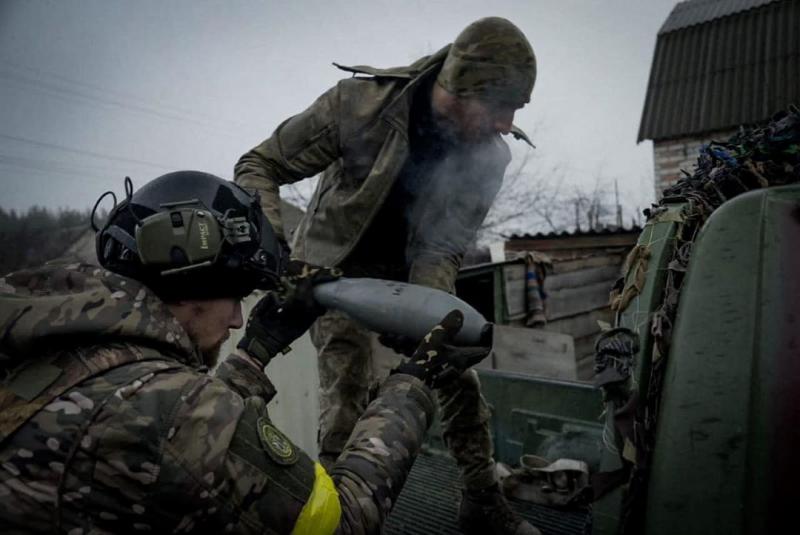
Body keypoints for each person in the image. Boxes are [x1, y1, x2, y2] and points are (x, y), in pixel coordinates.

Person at [0, 171, 490, 534]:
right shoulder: (170, 415)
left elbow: (159, 423)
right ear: (191, 283)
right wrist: (411, 387)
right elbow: (340, 521)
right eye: (236, 295)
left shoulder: (50, 335)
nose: (238, 319)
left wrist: (253, 355)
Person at [234, 16, 539, 535]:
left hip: (410, 275)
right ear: (463, 87)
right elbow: (260, 164)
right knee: (345, 394)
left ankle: (482, 501)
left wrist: (428, 308)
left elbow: (443, 244)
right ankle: (336, 518)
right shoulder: (357, 107)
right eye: (501, 106)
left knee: (458, 376)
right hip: (330, 271)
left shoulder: (489, 156)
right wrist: (277, 256)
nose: (507, 124)